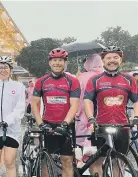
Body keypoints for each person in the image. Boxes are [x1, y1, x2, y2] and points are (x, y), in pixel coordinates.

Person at [84, 46, 138, 176]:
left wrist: (136, 116)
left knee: (118, 163)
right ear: (103, 61)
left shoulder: (129, 79)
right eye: (108, 58)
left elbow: (136, 101)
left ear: (120, 60)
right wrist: (91, 119)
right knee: (97, 162)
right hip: (101, 126)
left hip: (122, 126)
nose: (112, 60)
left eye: (115, 57)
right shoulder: (95, 80)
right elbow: (87, 101)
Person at [31, 48, 80, 177]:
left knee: (67, 160)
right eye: (54, 60)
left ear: (65, 63)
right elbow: (34, 105)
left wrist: (65, 123)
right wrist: (41, 124)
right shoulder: (41, 81)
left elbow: (74, 105)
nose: (57, 63)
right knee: (47, 160)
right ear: (50, 63)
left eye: (60, 60)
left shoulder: (73, 81)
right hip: (48, 123)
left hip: (66, 124)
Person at [75, 54, 104, 146]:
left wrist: (76, 112)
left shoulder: (82, 77)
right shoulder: (106, 75)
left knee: (83, 141)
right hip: (104, 114)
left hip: (86, 114)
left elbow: (79, 97)